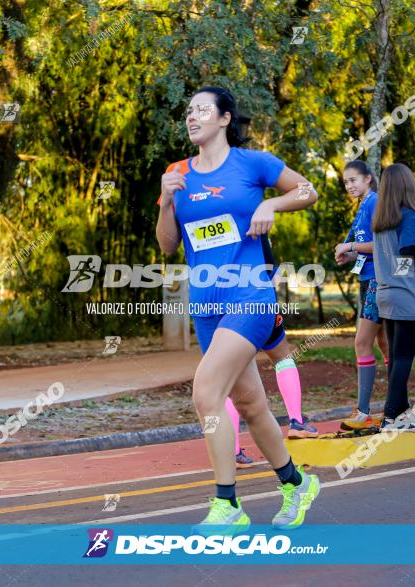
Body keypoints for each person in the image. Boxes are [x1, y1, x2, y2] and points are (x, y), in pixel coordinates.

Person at [156, 86, 320, 533]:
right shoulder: (177, 173)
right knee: (249, 403)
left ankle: (227, 505)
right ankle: (296, 483)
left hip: (250, 296)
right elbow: (168, 245)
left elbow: (309, 190)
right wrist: (168, 202)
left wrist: (272, 202)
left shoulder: (253, 164)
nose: (192, 117)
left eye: (202, 110)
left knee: (205, 392)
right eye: (188, 111)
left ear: (225, 118)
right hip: (207, 306)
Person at [370, 163, 415, 432]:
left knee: (396, 358)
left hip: (386, 294)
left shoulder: (380, 222)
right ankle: (390, 417)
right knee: (403, 359)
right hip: (407, 295)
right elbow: (409, 249)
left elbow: (396, 255)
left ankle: (402, 415)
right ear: (406, 185)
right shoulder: (408, 215)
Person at [334, 161, 389, 429]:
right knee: (384, 343)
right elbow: (367, 249)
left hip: (378, 280)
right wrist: (352, 254)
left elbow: (382, 243)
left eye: (354, 180)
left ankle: (364, 412)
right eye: (346, 182)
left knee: (361, 342)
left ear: (368, 178)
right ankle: (397, 406)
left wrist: (350, 245)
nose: (349, 186)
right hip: (369, 278)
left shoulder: (374, 201)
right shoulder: (364, 205)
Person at [230, 314, 319, 470]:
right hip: (255, 303)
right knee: (282, 356)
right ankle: (297, 423)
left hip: (215, 310)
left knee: (227, 373)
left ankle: (231, 452)